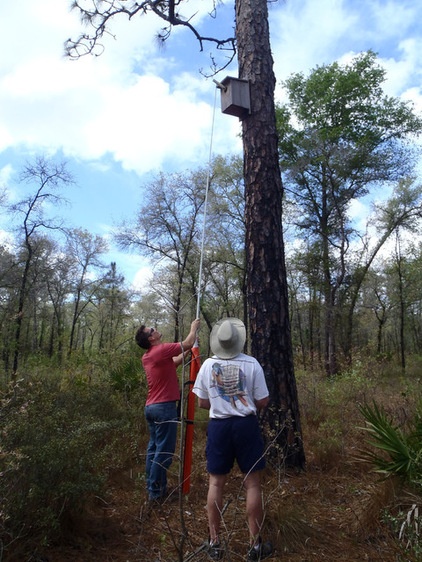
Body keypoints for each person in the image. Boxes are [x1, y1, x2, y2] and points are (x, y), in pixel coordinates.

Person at [192, 317, 273, 561]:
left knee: (216, 483)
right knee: (253, 484)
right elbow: (263, 400)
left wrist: (220, 402)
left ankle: (215, 542)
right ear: (238, 341)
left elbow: (202, 402)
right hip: (245, 425)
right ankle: (254, 545)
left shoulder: (207, 365)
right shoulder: (251, 364)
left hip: (219, 426)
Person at [135, 318, 200, 502]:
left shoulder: (150, 356)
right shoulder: (160, 350)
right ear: (151, 339)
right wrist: (193, 328)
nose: (155, 330)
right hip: (164, 408)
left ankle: (155, 488)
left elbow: (176, 362)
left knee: (154, 449)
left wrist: (190, 350)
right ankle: (156, 494)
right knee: (164, 451)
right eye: (152, 330)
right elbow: (186, 343)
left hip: (152, 408)